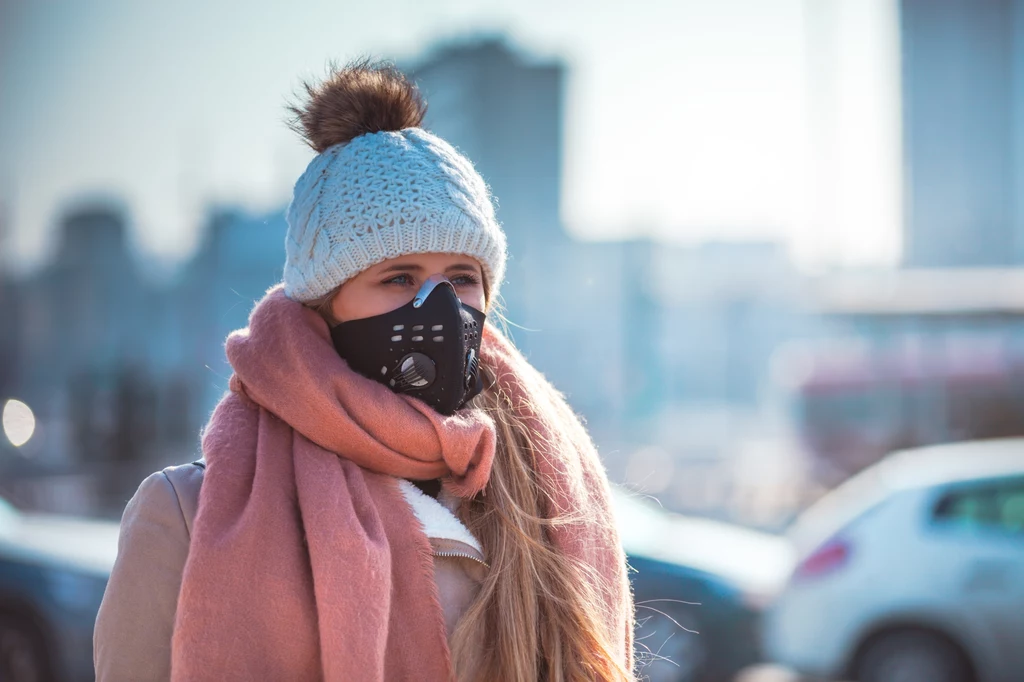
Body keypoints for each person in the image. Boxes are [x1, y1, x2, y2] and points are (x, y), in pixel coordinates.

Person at [94, 59, 635, 682]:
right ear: (324, 307)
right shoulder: (186, 515)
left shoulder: (541, 497)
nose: (438, 307)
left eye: (461, 279)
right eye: (398, 278)